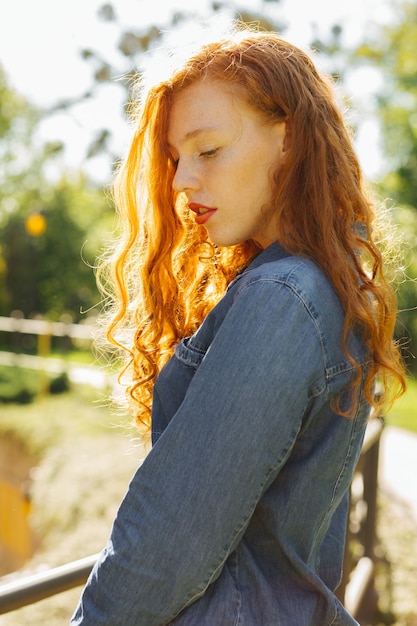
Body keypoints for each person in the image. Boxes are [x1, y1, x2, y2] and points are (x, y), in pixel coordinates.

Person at [71, 23, 405, 625]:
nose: (180, 182)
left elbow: (166, 543)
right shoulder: (313, 284)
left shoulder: (282, 297)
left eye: (208, 150)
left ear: (289, 141)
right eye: (176, 159)